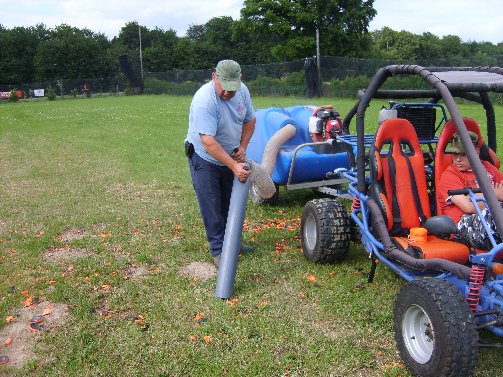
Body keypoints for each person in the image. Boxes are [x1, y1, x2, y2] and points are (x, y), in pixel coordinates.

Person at [185, 60, 256, 268]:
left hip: (230, 154)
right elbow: (208, 141)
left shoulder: (242, 92)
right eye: (224, 87)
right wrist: (234, 167)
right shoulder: (204, 100)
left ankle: (232, 243)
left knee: (229, 201)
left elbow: (250, 120)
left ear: (239, 81)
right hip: (204, 158)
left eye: (232, 88)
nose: (227, 93)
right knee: (212, 205)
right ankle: (218, 250)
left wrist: (242, 147)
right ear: (214, 77)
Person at [438, 131, 503, 249]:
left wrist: (481, 196)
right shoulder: (450, 175)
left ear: (476, 152)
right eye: (454, 154)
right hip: (463, 226)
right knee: (496, 214)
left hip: (491, 218)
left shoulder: (487, 167)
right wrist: (494, 193)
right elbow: (470, 207)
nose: (457, 159)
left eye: (463, 154)